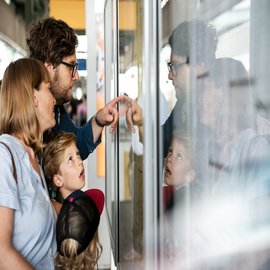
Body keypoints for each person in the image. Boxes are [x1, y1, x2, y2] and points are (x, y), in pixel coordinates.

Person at [26, 17, 124, 160]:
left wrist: (98, 120)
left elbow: (74, 145)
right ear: (49, 69)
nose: (76, 76)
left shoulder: (56, 107)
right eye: (71, 67)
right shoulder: (17, 117)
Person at [124, 19, 218, 157]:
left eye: (175, 66)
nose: (169, 75)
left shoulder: (218, 115)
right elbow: (161, 143)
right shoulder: (184, 104)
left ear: (199, 68)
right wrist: (141, 122)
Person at [0, 58, 57, 269]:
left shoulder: (33, 158)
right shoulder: (4, 157)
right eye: (49, 90)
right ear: (33, 97)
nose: (54, 100)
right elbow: (1, 253)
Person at [42, 132, 104, 269]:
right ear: (58, 179)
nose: (80, 161)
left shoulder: (85, 206)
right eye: (70, 159)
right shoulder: (60, 218)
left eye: (78, 155)